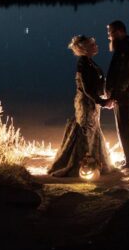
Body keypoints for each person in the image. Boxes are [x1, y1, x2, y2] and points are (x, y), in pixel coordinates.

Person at [47, 35, 114, 178]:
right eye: (92, 44)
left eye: (94, 43)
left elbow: (97, 83)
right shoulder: (82, 64)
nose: (96, 45)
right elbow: (86, 88)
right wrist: (102, 101)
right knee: (84, 130)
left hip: (93, 102)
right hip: (85, 102)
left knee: (92, 129)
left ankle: (94, 161)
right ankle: (81, 164)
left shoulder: (90, 62)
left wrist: (105, 95)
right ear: (84, 49)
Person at [105, 20, 129, 171]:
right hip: (123, 95)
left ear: (119, 32)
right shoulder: (122, 48)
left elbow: (128, 75)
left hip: (127, 96)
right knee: (124, 128)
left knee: (126, 128)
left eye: (111, 33)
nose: (109, 36)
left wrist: (116, 95)